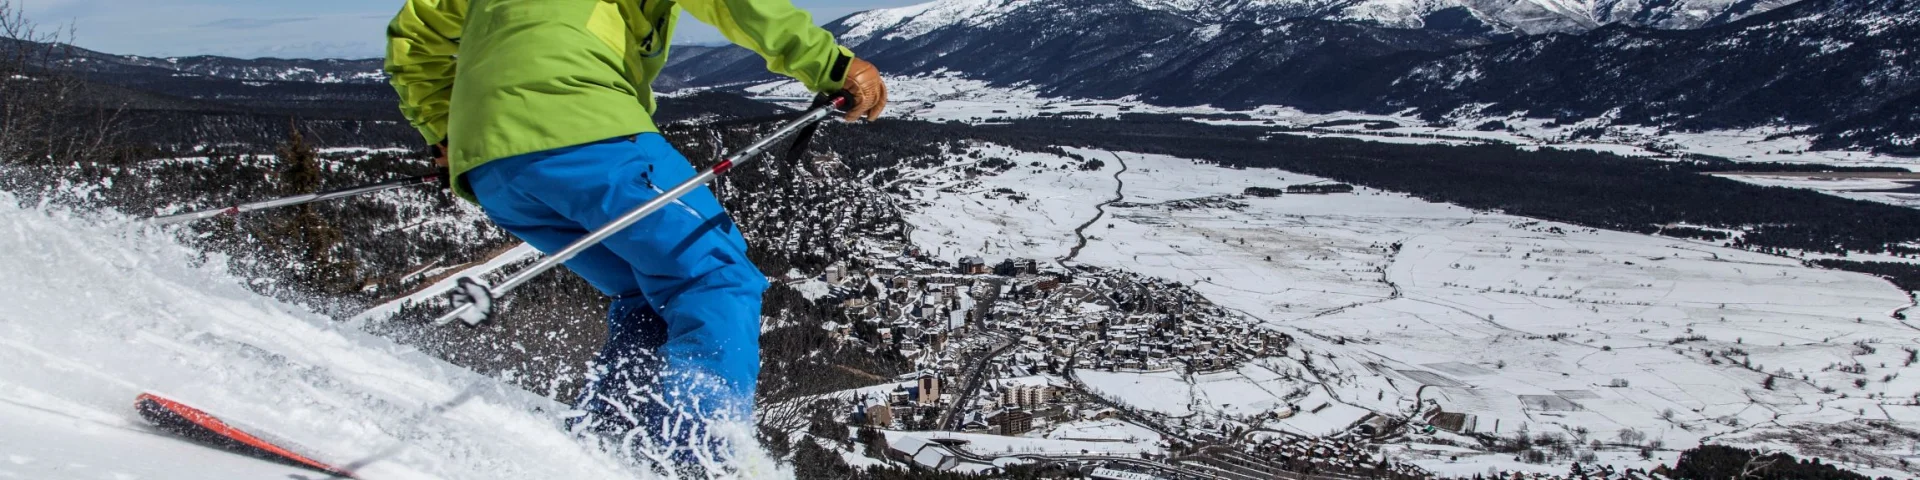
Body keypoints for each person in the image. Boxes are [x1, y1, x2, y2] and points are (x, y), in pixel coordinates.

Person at [383, 0, 887, 462]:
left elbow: (415, 36)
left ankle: (607, 448)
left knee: (647, 291)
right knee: (714, 279)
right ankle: (697, 458)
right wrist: (834, 65)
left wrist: (443, 129)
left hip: (490, 167)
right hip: (583, 126)